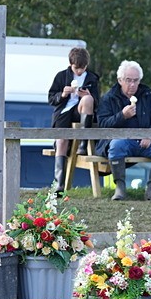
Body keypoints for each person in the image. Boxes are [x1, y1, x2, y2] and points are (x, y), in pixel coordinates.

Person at [96, 60, 151, 202]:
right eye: (128, 80)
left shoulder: (146, 94)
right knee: (116, 145)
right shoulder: (109, 98)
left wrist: (150, 135)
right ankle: (120, 189)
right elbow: (103, 124)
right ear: (120, 80)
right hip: (123, 141)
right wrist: (122, 116)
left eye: (135, 80)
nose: (132, 84)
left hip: (145, 141)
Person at [46, 47, 100, 192]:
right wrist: (63, 94)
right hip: (64, 111)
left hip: (81, 111)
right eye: (77, 68)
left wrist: (88, 95)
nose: (79, 71)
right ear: (71, 64)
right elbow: (51, 99)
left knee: (88, 99)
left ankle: (83, 142)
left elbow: (97, 103)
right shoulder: (61, 76)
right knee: (61, 141)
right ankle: (59, 184)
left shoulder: (92, 78)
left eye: (83, 68)